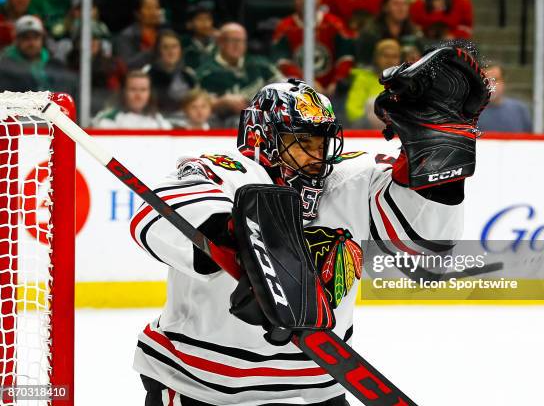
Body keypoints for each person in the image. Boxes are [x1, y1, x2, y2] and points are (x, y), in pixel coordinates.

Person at [130, 42, 492, 405]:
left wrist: (437, 162)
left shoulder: (352, 178)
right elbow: (154, 218)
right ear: (263, 139)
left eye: (321, 142)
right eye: (300, 141)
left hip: (318, 384)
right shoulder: (228, 171)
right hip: (205, 384)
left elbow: (427, 246)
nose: (316, 156)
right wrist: (241, 241)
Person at [198, 22, 284, 127]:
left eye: (242, 41)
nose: (237, 45)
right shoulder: (207, 71)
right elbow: (197, 103)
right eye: (233, 40)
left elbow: (285, 87)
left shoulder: (261, 64)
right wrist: (220, 102)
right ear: (220, 42)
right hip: (223, 123)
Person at [272, 0, 355, 98]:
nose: (304, 1)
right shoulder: (285, 28)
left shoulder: (334, 24)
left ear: (320, 0)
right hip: (297, 94)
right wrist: (305, 82)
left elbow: (345, 57)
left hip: (332, 92)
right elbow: (282, 62)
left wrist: (336, 81)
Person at [0, 15, 75, 94]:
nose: (32, 43)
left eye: (36, 37)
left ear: (42, 39)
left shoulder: (55, 64)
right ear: (17, 40)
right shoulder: (6, 68)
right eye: (26, 38)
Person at [345, 39, 401, 128]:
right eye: (386, 56)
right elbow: (353, 111)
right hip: (369, 132)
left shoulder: (405, 82)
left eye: (394, 56)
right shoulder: (363, 79)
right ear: (377, 58)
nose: (390, 60)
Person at [93, 70, 171, 129]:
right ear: (124, 92)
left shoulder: (159, 121)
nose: (138, 95)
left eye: (143, 90)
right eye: (133, 89)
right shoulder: (108, 119)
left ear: (150, 93)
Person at [144, 29, 198, 115]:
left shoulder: (188, 74)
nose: (171, 52)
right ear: (158, 51)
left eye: (174, 47)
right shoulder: (147, 76)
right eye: (165, 47)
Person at [355, 0, 419, 66]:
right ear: (385, 7)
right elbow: (363, 63)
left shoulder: (413, 32)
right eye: (396, 4)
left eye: (405, 4)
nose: (401, 8)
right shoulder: (370, 33)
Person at [477, 62, 532, 133]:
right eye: (486, 80)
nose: (491, 85)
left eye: (495, 80)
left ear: (503, 82)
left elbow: (529, 141)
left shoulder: (519, 110)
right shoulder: (470, 112)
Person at [114, 0, 164, 69]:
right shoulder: (126, 36)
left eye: (157, 7)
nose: (154, 12)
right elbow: (126, 65)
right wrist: (153, 51)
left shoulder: (164, 33)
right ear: (137, 13)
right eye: (149, 8)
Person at [409, 0, 473, 40]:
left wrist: (453, 35)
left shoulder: (462, 3)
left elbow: (467, 28)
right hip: (426, 40)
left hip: (453, 42)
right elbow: (415, 26)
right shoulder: (419, 4)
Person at [182, 1, 217, 70]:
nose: (205, 24)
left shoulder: (218, 44)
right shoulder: (184, 46)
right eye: (200, 19)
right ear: (189, 24)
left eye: (208, 19)